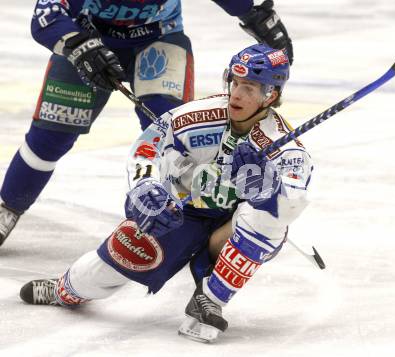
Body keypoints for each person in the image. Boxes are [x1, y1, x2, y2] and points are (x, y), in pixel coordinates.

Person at [19, 43, 312, 343]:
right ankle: (64, 289)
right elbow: (147, 148)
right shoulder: (197, 116)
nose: (236, 94)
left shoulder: (285, 147)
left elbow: (292, 201)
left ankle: (210, 299)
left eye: (249, 88)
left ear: (271, 95)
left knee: (268, 219)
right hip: (178, 213)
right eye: (234, 83)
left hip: (228, 226)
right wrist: (145, 187)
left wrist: (267, 191)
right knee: (116, 260)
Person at [0, 0, 294, 246]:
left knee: (175, 137)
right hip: (87, 36)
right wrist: (80, 46)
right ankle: (8, 206)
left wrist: (256, 13)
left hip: (160, 38)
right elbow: (45, 16)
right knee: (50, 137)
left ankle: (192, 220)